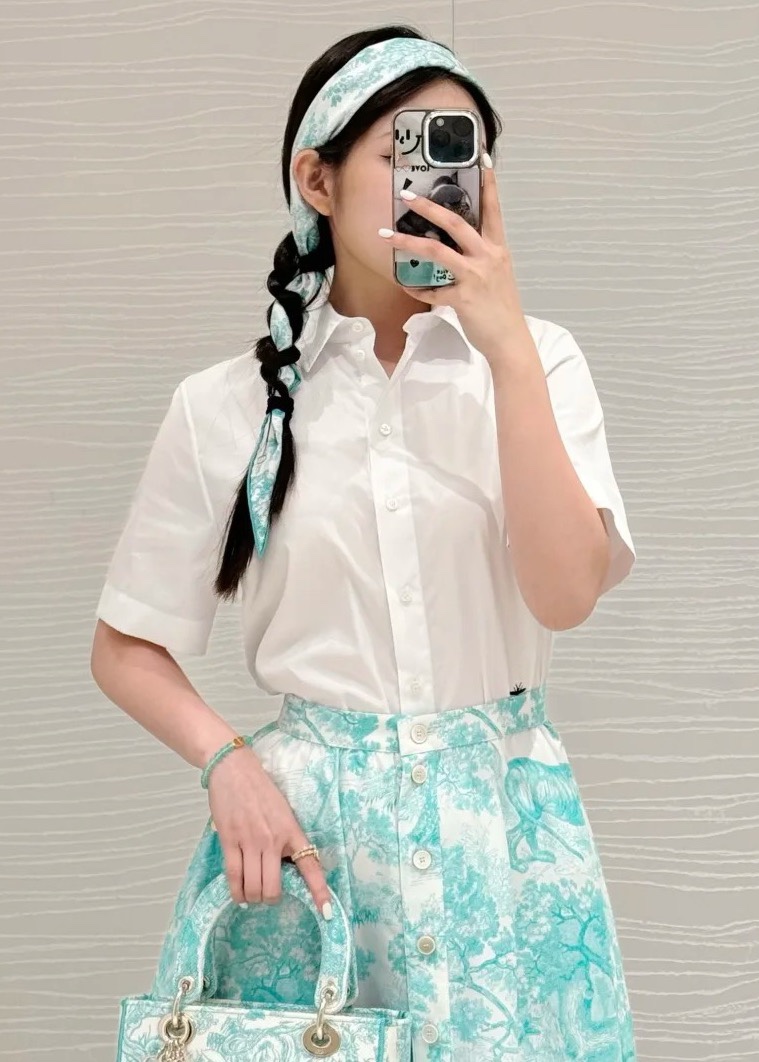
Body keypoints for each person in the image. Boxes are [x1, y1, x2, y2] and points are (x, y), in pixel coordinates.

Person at [91, 24, 638, 1062]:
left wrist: (506, 347)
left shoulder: (541, 363)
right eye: (402, 152)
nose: (437, 181)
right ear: (319, 180)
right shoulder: (227, 404)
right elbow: (123, 645)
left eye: (461, 153)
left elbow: (566, 594)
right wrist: (228, 764)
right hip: (313, 851)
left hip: (504, 842)